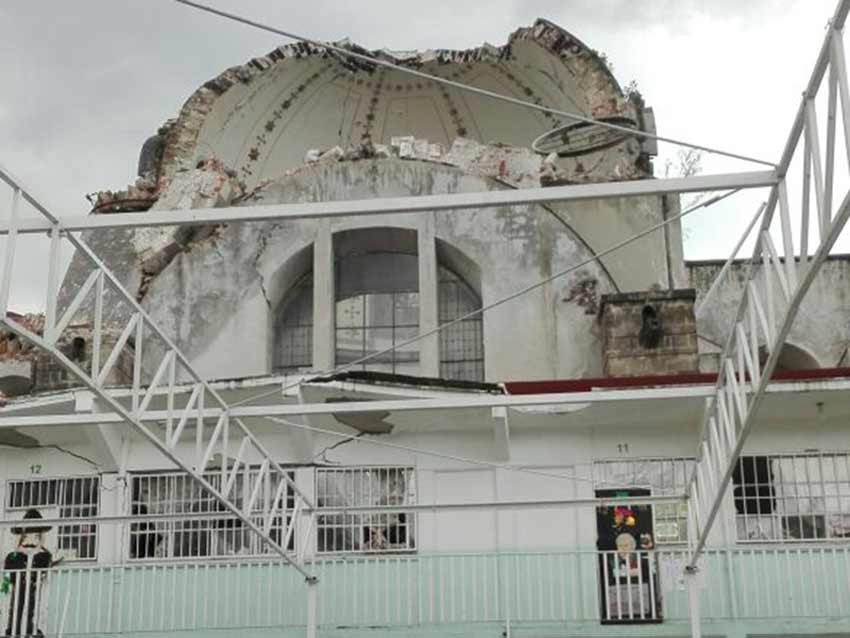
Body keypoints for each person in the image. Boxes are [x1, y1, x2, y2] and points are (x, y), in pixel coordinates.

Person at [3, 509, 52, 637]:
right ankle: (13, 630)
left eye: (36, 535)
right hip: (17, 590)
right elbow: (7, 577)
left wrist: (35, 552)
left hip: (34, 590)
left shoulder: (44, 556)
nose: (30, 540)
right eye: (26, 535)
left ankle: (31, 629)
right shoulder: (13, 556)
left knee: (32, 609)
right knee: (15, 610)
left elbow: (45, 570)